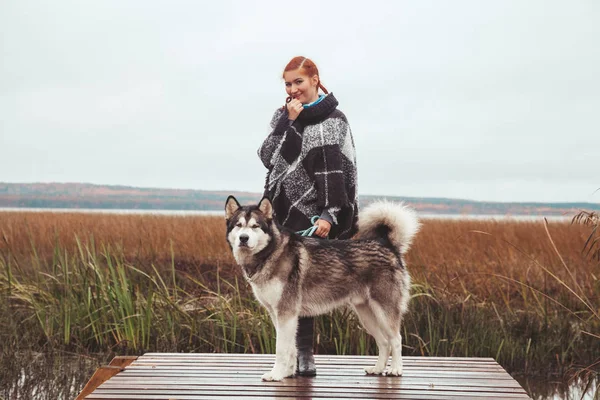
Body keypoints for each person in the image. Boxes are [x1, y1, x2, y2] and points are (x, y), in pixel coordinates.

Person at [257, 56, 359, 376]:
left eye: (298, 81)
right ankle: (288, 357)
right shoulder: (283, 115)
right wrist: (288, 122)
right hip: (281, 210)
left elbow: (339, 170)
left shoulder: (335, 120)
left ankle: (305, 353)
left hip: (317, 215)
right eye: (288, 83)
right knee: (281, 283)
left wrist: (330, 213)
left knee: (303, 282)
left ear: (315, 79)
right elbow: (268, 158)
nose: (293, 88)